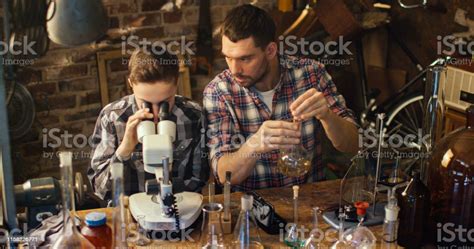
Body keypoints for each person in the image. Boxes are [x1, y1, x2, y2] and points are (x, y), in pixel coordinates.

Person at [203, 4, 358, 191]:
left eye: (245, 59)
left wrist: (327, 116)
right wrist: (255, 144)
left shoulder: (311, 74)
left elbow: (352, 145)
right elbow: (224, 176)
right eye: (228, 57)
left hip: (309, 198)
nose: (234, 70)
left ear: (270, 51)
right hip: (252, 207)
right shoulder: (219, 92)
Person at [88, 48, 209, 202]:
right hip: (129, 215)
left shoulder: (193, 116)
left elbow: (199, 179)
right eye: (146, 103)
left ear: (176, 83)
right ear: (130, 83)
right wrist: (124, 150)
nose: (156, 113)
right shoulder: (112, 118)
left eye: (165, 103)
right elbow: (100, 189)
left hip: (179, 208)